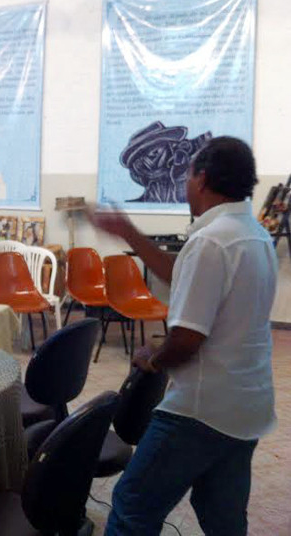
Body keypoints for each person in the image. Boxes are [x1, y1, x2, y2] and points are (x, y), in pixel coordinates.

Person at [87, 137, 277, 536]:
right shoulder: (254, 235)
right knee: (222, 517)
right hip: (246, 407)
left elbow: (188, 340)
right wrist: (129, 232)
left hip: (199, 411)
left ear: (202, 179)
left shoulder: (210, 241)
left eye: (188, 174)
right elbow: (184, 276)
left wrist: (152, 358)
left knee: (131, 505)